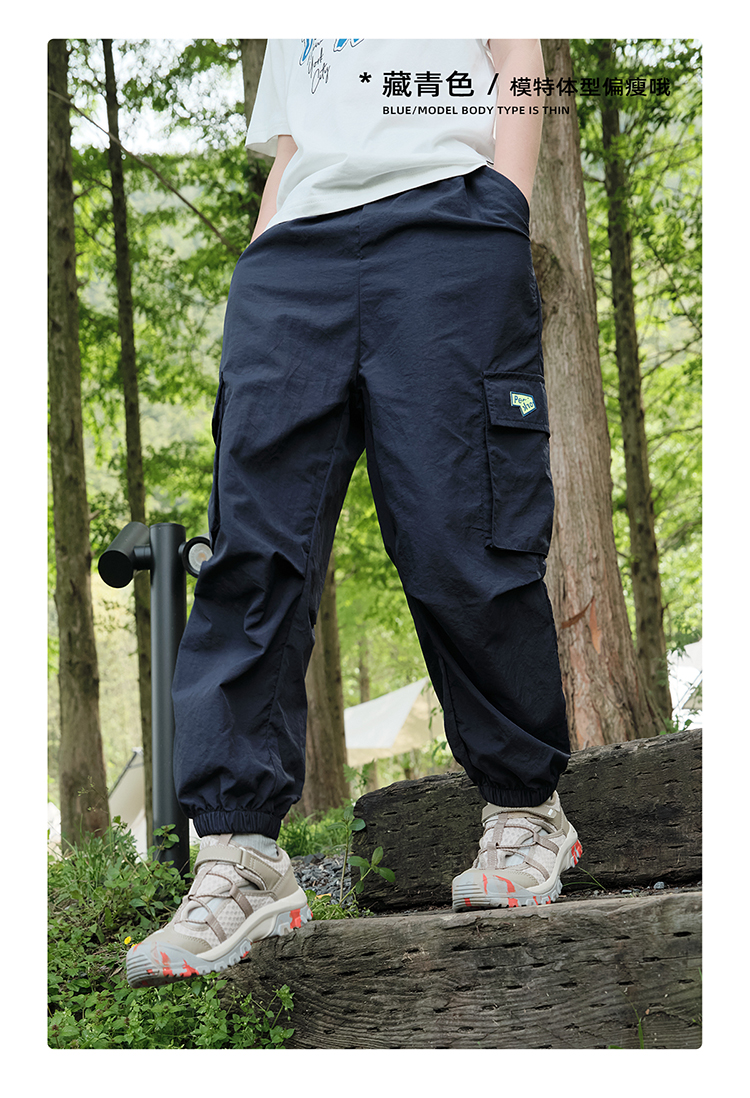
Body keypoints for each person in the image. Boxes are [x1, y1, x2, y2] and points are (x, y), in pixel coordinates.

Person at [126, 38, 581, 990]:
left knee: (461, 528)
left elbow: (517, 49)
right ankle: (242, 856)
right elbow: (294, 143)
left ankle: (525, 811)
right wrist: (261, 258)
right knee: (251, 551)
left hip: (449, 220)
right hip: (296, 256)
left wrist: (506, 205)